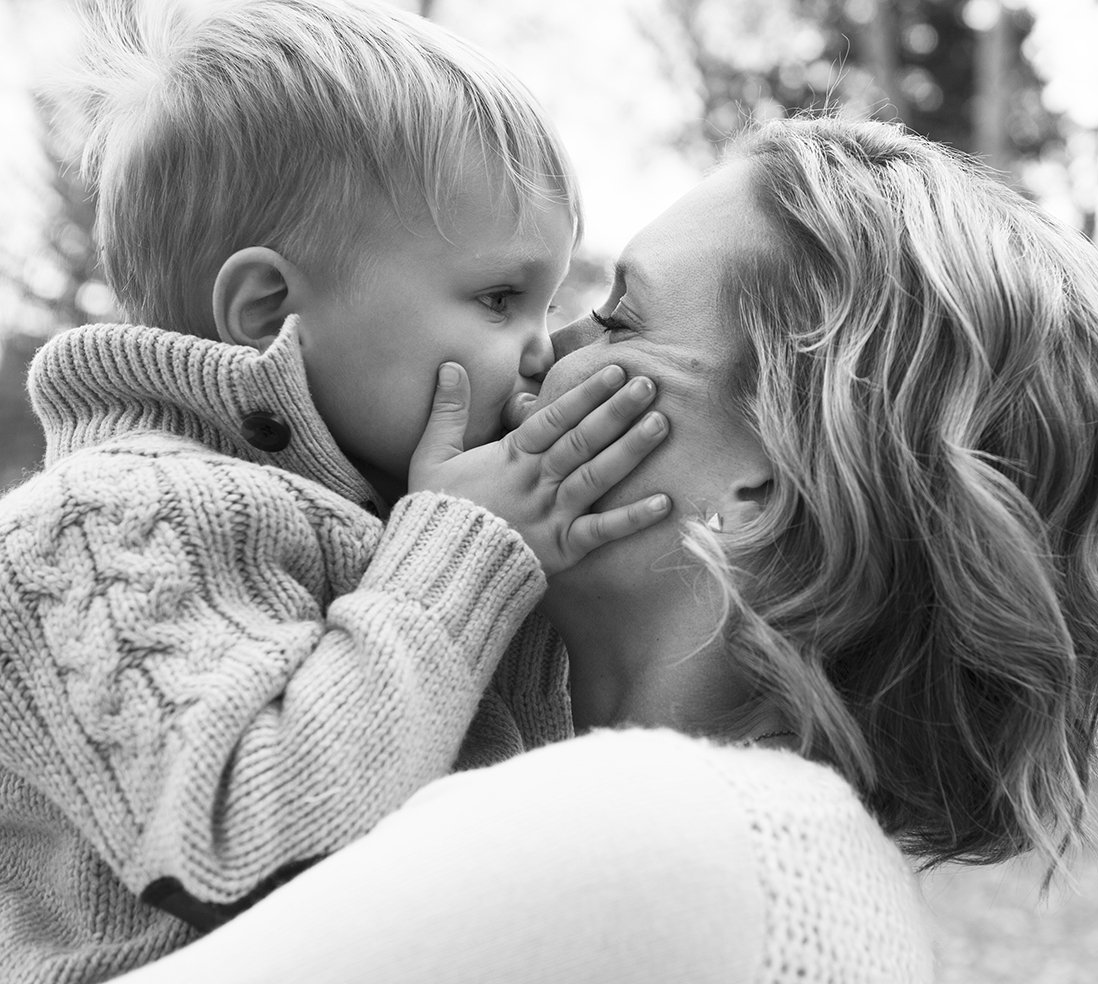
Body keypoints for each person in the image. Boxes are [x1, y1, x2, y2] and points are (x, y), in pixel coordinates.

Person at [113, 116, 1098, 984]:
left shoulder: (670, 832)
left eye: (618, 322)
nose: (540, 349)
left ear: (779, 464)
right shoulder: (716, 844)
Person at [0, 1, 670, 980]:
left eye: (554, 296)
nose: (542, 344)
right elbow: (257, 842)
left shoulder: (395, 514)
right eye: (498, 298)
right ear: (270, 309)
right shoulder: (97, 529)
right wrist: (466, 554)